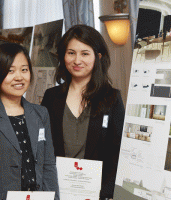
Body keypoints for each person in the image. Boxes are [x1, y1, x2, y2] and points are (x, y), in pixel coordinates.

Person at [41, 24, 125, 199]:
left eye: (85, 53)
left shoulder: (112, 98)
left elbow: (117, 153)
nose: (77, 60)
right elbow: (42, 148)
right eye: (71, 53)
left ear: (98, 57)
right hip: (58, 190)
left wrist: (106, 193)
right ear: (63, 56)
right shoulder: (51, 97)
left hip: (97, 193)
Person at [0, 42, 59, 200]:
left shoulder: (41, 113)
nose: (19, 77)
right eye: (10, 71)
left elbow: (48, 166)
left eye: (24, 69)